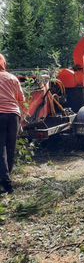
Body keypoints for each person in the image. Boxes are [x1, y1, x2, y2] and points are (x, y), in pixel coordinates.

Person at [0, 54, 25, 194]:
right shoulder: (12, 78)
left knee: (0, 150)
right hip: (14, 116)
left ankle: (6, 184)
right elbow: (21, 99)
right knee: (10, 148)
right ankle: (7, 180)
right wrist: (22, 118)